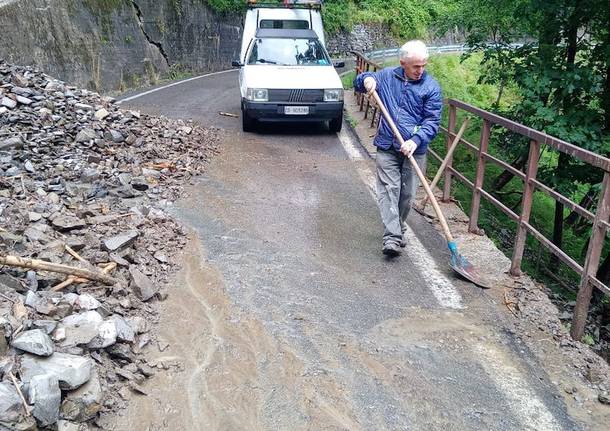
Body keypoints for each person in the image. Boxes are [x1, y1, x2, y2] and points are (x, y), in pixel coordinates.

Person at [354, 40, 442, 257]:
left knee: (407, 195)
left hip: (415, 149)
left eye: (423, 65)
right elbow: (358, 82)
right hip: (387, 144)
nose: (420, 70)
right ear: (403, 63)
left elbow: (432, 121)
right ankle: (392, 237)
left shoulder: (431, 87)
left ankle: (398, 227)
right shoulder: (386, 77)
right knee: (388, 190)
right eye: (415, 66)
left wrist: (416, 139)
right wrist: (366, 79)